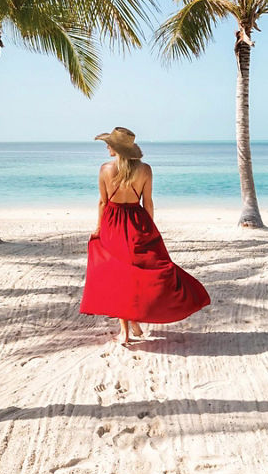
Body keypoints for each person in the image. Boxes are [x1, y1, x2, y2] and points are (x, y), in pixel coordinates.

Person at [80, 127, 210, 344]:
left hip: (112, 222)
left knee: (120, 275)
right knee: (140, 273)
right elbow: (147, 203)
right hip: (137, 221)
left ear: (117, 148)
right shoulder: (146, 170)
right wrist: (150, 228)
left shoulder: (104, 169)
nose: (107, 146)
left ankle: (126, 331)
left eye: (109, 143)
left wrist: (98, 228)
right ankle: (134, 323)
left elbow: (103, 202)